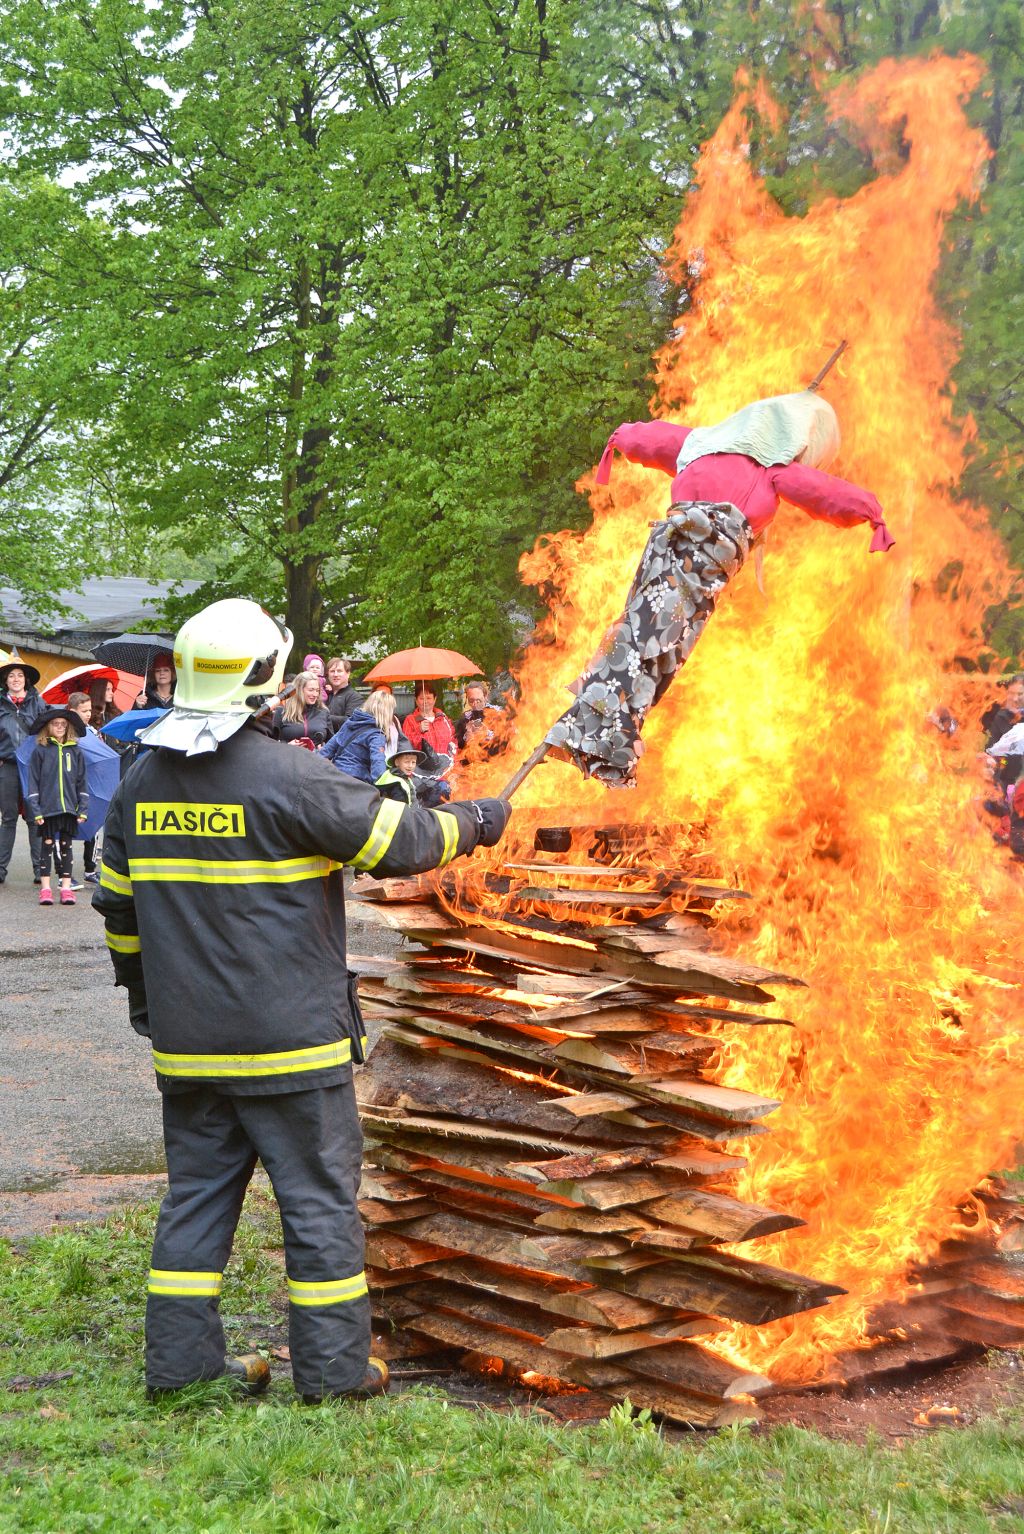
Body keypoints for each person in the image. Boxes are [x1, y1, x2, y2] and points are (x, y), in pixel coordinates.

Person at [92, 597, 510, 1402]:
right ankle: (334, 1374)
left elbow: (118, 908)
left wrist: (148, 999)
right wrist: (479, 821)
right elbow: (405, 842)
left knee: (196, 1205)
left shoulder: (141, 782)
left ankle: (181, 1373)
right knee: (318, 1209)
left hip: (190, 1048)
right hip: (294, 1050)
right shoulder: (291, 776)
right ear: (264, 679)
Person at [546, 391, 895, 784]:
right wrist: (871, 511)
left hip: (679, 563)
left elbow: (653, 439)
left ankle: (600, 737)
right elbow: (827, 494)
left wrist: (622, 437)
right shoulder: (771, 470)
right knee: (650, 643)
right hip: (691, 564)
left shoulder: (699, 444)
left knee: (653, 644)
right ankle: (589, 734)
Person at [27, 707, 89, 906]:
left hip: (69, 808)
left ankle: (65, 888)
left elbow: (82, 782)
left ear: (68, 727)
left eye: (63, 724)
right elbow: (33, 782)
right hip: (47, 808)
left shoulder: (76, 751)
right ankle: (45, 889)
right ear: (48, 727)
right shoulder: (40, 751)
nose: (60, 727)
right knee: (46, 846)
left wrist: (83, 808)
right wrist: (35, 809)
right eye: (55, 724)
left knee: (66, 847)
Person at [0, 657, 46, 886]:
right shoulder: (0, 704)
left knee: (33, 818)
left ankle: (40, 869)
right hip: (6, 766)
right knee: (8, 818)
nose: (15, 679)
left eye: (19, 675)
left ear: (26, 679)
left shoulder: (38, 703)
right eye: (11, 675)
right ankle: (0, 870)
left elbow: (47, 732)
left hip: (31, 767)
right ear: (5, 680)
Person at [320, 687, 393, 785]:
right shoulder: (377, 735)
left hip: (336, 776)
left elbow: (329, 748)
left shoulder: (351, 722)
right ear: (386, 712)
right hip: (357, 783)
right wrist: (382, 785)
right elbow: (377, 762)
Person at [67, 691, 100, 884]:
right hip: (70, 786)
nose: (88, 714)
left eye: (89, 710)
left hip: (91, 784)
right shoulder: (66, 732)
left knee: (93, 826)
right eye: (83, 710)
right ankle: (66, 873)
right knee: (66, 830)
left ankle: (90, 868)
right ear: (72, 711)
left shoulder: (93, 731)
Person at [271, 671, 331, 747]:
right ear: (299, 690)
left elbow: (332, 743)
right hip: (288, 756)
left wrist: (324, 750)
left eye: (317, 690)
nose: (315, 694)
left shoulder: (323, 712)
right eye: (311, 690)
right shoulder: (281, 712)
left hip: (314, 758)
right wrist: (286, 745)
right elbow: (269, 743)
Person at [402, 683, 456, 763]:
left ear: (435, 699)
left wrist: (454, 762)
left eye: (429, 698)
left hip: (445, 767)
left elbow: (453, 741)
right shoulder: (410, 720)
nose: (425, 702)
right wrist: (419, 730)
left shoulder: (443, 718)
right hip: (422, 768)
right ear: (416, 700)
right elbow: (406, 746)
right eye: (421, 698)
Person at [455, 680, 505, 754]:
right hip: (473, 761)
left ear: (485, 696)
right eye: (471, 701)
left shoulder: (498, 714)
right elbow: (459, 746)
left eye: (478, 700)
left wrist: (488, 737)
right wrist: (467, 736)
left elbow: (508, 739)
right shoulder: (465, 718)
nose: (475, 704)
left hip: (496, 760)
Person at [326, 658, 360, 727]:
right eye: (332, 671)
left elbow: (351, 720)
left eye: (339, 671)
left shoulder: (355, 697)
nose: (335, 674)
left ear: (348, 674)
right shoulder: (324, 695)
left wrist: (323, 717)